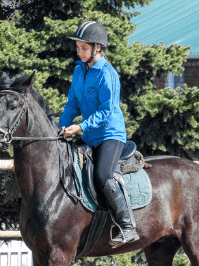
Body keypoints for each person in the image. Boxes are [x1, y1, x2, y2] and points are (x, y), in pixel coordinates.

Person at [59, 21, 139, 246]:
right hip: (89, 135)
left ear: (98, 48)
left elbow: (107, 110)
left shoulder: (108, 73)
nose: (79, 51)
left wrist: (81, 127)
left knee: (103, 174)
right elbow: (72, 103)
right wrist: (61, 126)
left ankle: (127, 226)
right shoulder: (78, 70)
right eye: (78, 48)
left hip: (109, 135)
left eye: (83, 48)